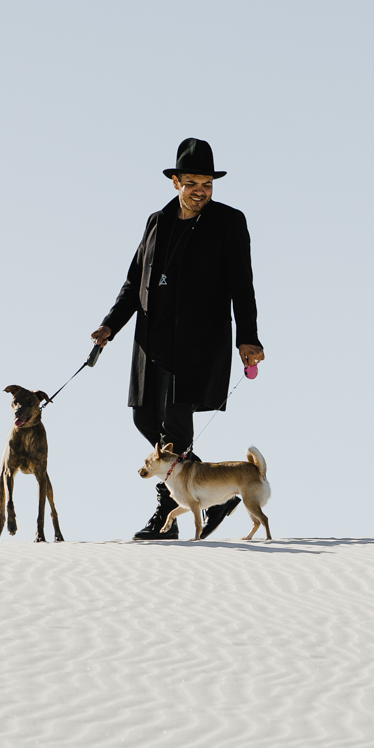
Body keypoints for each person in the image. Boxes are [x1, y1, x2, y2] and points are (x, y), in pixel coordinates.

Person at [91, 138, 266, 541]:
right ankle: (217, 495)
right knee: (144, 417)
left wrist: (249, 337)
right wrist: (109, 326)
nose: (200, 190)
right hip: (151, 340)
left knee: (175, 422)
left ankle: (168, 512)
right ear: (175, 183)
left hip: (199, 339)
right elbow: (135, 281)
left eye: (206, 182)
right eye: (192, 182)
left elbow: (244, 285)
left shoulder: (229, 222)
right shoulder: (157, 222)